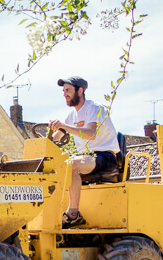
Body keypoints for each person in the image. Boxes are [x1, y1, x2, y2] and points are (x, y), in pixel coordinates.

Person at [49, 77, 120, 228]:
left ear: (80, 91)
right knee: (55, 165)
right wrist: (46, 140)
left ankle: (73, 214)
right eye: (63, 91)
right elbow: (53, 140)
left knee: (71, 164)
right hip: (85, 158)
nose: (65, 94)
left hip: (104, 156)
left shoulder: (94, 108)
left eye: (68, 90)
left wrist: (65, 127)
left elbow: (91, 134)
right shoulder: (71, 116)